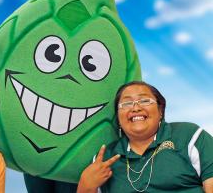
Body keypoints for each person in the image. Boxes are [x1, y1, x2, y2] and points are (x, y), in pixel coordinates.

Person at [77, 81, 213, 193]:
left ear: (160, 111)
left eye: (144, 100)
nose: (135, 108)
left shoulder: (189, 136)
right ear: (118, 118)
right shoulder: (105, 159)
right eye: (127, 103)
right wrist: (85, 186)